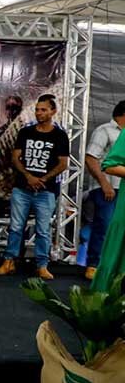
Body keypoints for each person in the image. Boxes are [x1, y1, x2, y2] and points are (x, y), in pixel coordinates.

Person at [0, 94, 69, 280]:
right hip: (22, 188)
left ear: (53, 111)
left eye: (43, 110)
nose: (39, 113)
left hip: (46, 190)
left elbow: (63, 164)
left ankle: (42, 265)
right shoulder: (26, 132)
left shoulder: (59, 135)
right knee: (16, 226)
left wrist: (43, 178)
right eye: (37, 109)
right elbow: (15, 157)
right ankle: (9, 261)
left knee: (43, 229)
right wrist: (28, 176)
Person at [82, 101, 124, 280]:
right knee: (104, 227)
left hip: (122, 189)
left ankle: (114, 269)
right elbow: (91, 159)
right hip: (106, 188)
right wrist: (104, 184)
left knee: (119, 231)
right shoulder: (104, 130)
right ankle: (93, 265)